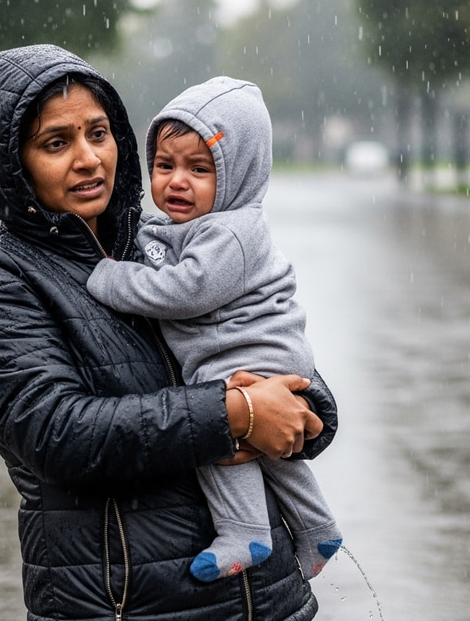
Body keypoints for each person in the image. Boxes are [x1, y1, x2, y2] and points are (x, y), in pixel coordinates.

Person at [0, 44, 338, 621]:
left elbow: (286, 370)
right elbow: (63, 437)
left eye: (98, 133)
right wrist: (234, 415)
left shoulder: (170, 240)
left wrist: (304, 412)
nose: (89, 158)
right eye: (56, 142)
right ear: (12, 164)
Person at [87, 77, 341, 583]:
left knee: (214, 433)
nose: (177, 181)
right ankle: (317, 525)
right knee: (270, 449)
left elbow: (186, 291)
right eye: (165, 165)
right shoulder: (196, 225)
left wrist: (111, 276)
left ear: (238, 176)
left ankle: (245, 531)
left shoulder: (233, 230)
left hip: (248, 353)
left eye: (199, 170)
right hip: (255, 354)